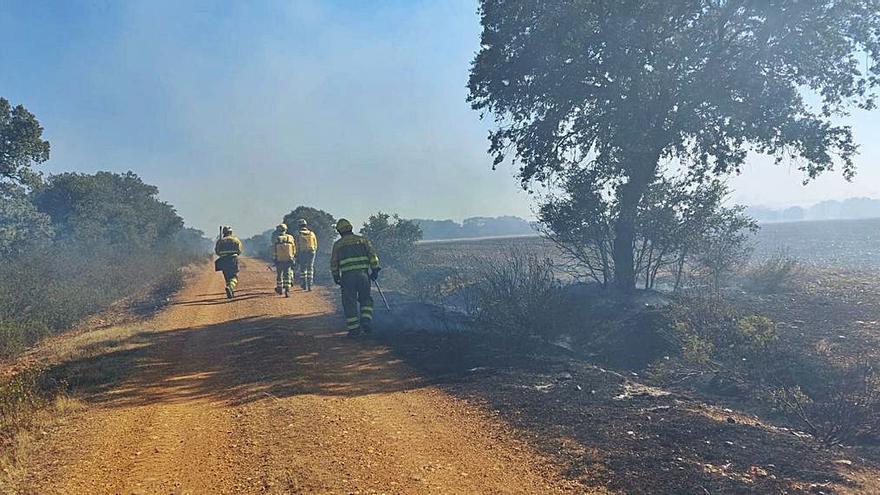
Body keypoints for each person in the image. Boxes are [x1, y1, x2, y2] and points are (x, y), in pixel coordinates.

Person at [330, 218, 380, 336]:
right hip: (363, 275)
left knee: (349, 303)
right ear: (351, 228)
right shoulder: (362, 240)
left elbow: (334, 263)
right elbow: (372, 255)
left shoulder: (338, 245)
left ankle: (354, 330)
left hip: (347, 278)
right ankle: (366, 320)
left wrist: (336, 276)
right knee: (366, 299)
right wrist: (375, 270)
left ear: (339, 231)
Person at [214, 225, 243, 299]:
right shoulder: (235, 240)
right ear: (231, 232)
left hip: (223, 260)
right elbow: (239, 250)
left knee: (227, 277)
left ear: (224, 232)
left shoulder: (220, 241)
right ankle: (230, 287)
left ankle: (230, 289)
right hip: (233, 260)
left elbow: (217, 251)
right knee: (234, 276)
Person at [270, 223, 296, 297]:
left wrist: (274, 258)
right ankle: (287, 290)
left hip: (279, 259)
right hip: (288, 259)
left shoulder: (276, 238)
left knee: (279, 274)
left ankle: (279, 288)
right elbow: (294, 248)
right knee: (287, 274)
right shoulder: (290, 237)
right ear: (286, 229)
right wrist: (293, 256)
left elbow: (273, 249)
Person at [295, 218, 318, 291]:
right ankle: (310, 284)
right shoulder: (312, 233)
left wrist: (296, 254)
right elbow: (315, 244)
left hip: (302, 252)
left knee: (303, 269)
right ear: (306, 225)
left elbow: (297, 245)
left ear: (299, 226)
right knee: (310, 268)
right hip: (311, 252)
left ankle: (303, 284)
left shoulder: (298, 234)